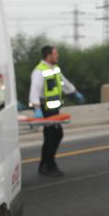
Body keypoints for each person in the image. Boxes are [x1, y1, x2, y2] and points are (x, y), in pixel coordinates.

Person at [29, 45, 84, 176]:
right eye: (55, 54)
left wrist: (74, 92)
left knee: (51, 136)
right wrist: (37, 108)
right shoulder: (39, 71)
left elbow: (64, 82)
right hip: (45, 110)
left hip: (54, 110)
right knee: (54, 135)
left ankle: (45, 165)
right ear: (48, 56)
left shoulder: (55, 69)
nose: (57, 56)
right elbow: (34, 90)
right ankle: (49, 165)